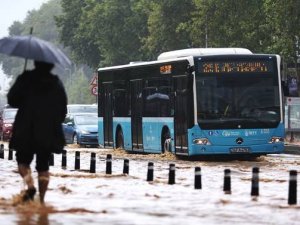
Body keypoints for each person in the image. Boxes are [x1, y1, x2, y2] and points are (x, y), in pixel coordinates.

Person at [7, 60, 67, 204]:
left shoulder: (25, 78)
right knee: (43, 165)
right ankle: (42, 200)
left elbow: (12, 99)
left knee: (22, 161)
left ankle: (30, 186)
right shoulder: (56, 83)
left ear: (35, 63)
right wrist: (53, 122)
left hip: (25, 128)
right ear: (51, 66)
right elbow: (62, 109)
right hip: (46, 131)